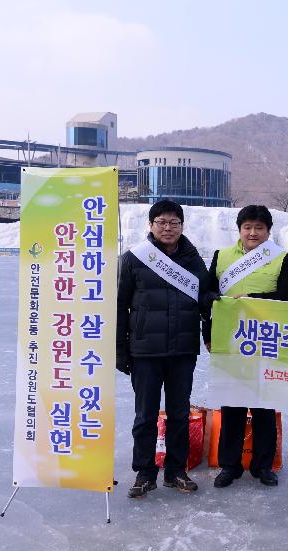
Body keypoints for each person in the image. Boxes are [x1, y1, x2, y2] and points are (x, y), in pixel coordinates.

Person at [117, 199, 210, 499]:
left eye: (174, 222)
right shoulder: (133, 259)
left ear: (182, 226)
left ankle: (175, 470)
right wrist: (121, 350)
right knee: (145, 415)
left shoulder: (193, 259)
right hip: (144, 351)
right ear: (151, 225)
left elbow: (206, 298)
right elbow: (119, 307)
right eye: (162, 222)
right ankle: (145, 473)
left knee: (179, 414)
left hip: (183, 350)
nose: (168, 228)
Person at [203, 205, 288, 487]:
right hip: (230, 339)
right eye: (248, 227)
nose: (253, 232)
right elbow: (207, 294)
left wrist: (251, 297)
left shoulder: (282, 258)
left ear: (269, 231)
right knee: (231, 404)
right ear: (240, 229)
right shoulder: (222, 257)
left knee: (264, 406)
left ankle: (263, 466)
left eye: (259, 228)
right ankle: (229, 466)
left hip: (266, 340)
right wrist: (208, 334)